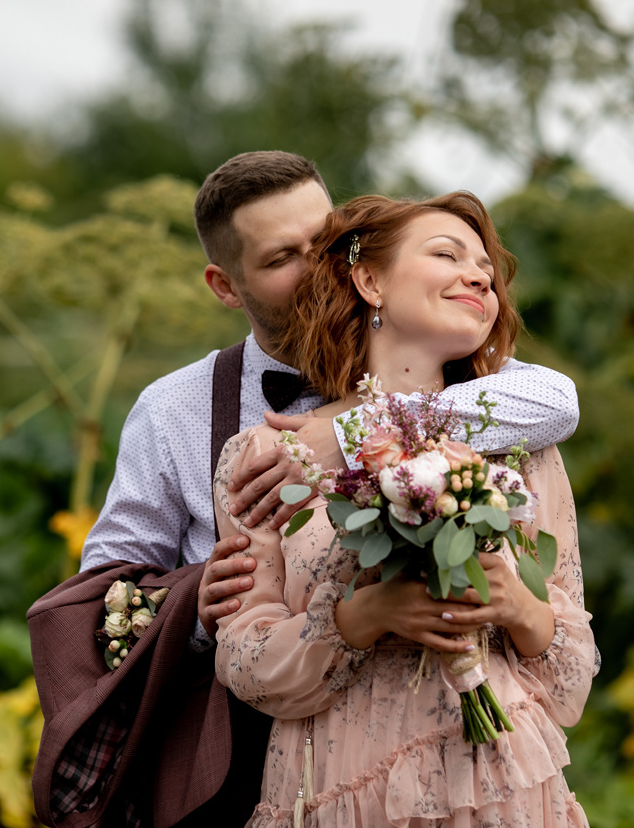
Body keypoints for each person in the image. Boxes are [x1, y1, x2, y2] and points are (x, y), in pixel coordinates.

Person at [31, 152, 580, 828]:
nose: (319, 265)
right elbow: (103, 591)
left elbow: (556, 399)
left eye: (328, 241)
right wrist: (194, 607)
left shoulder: (460, 374)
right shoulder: (177, 408)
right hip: (244, 756)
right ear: (225, 285)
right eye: (282, 256)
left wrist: (353, 429)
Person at [212, 192, 598, 827]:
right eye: (447, 253)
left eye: (487, 270)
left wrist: (515, 603)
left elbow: (571, 680)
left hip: (504, 792)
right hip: (339, 798)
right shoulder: (267, 459)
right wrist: (358, 619)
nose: (480, 276)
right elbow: (244, 663)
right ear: (369, 280)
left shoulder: (522, 444)